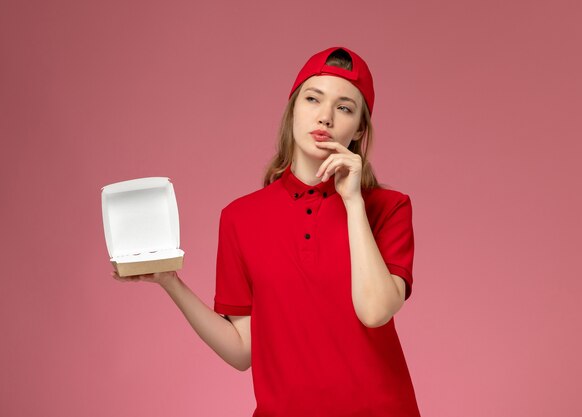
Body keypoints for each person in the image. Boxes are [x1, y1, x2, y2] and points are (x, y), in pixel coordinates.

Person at [112, 46, 421, 417]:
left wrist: (353, 201)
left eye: (344, 107)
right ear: (293, 110)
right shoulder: (240, 218)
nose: (325, 117)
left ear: (358, 129)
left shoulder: (389, 207)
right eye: (312, 99)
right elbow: (243, 351)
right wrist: (170, 282)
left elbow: (375, 312)